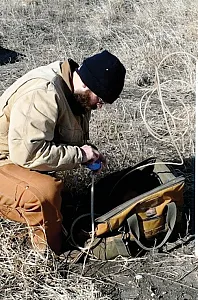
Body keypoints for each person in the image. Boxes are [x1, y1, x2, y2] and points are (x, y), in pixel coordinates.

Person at [0, 50, 126, 254]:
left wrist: (87, 152)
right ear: (87, 84)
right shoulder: (43, 92)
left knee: (60, 198)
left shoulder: (76, 93)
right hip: (6, 159)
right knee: (44, 195)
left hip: (16, 156)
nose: (99, 106)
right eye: (100, 100)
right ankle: (52, 253)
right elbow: (28, 154)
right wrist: (80, 155)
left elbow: (67, 137)